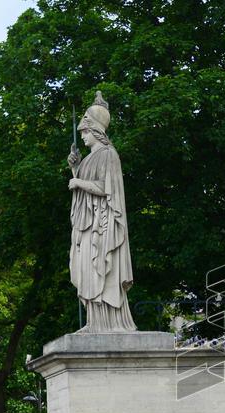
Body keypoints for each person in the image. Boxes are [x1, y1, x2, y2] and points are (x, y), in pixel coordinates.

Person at [67, 91, 137, 332]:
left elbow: (106, 189)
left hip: (102, 225)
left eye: (85, 132)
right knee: (88, 273)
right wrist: (76, 169)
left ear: (96, 131)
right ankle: (94, 321)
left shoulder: (108, 155)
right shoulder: (88, 159)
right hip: (87, 224)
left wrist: (78, 183)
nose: (83, 136)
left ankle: (110, 322)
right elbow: (85, 189)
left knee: (101, 271)